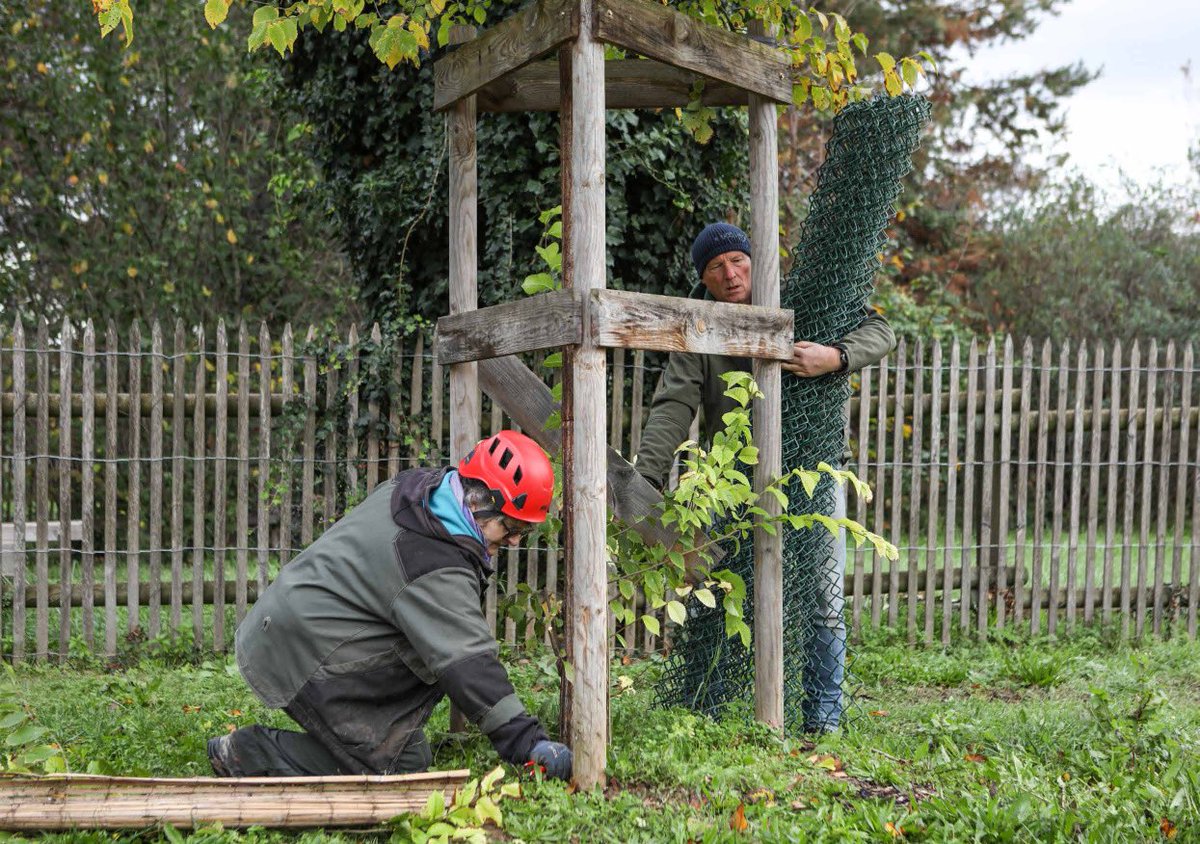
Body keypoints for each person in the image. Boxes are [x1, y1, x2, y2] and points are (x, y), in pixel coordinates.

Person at [635, 222, 895, 732]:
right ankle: (706, 710)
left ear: (755, 262)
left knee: (823, 595)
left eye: (739, 261)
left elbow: (881, 330)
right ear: (704, 279)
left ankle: (823, 717)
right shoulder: (699, 332)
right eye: (716, 267)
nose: (731, 275)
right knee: (722, 590)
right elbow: (672, 407)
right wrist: (642, 482)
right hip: (731, 482)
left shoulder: (801, 301)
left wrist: (833, 357)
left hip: (813, 472)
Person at [207, 430, 572, 781]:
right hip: (305, 650)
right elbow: (467, 660)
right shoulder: (431, 561)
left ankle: (350, 744)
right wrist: (528, 742)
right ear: (479, 501)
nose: (513, 540)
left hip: (290, 621)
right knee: (398, 768)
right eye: (509, 526)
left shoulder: (418, 489)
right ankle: (250, 752)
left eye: (522, 532)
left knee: (408, 749)